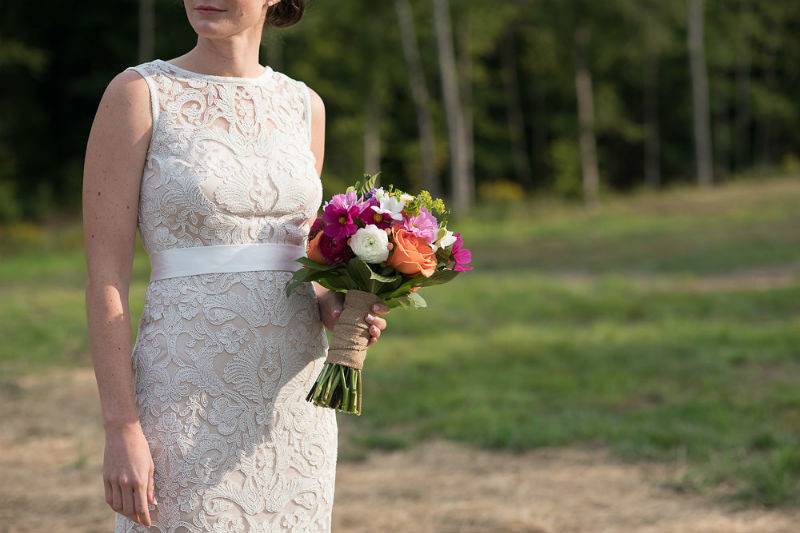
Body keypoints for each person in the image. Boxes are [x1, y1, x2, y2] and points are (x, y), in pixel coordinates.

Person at [81, 1, 390, 530]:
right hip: (184, 391)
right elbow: (105, 278)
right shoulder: (139, 94)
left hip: (291, 401)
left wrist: (336, 307)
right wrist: (121, 426)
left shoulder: (303, 105)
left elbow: (297, 256)